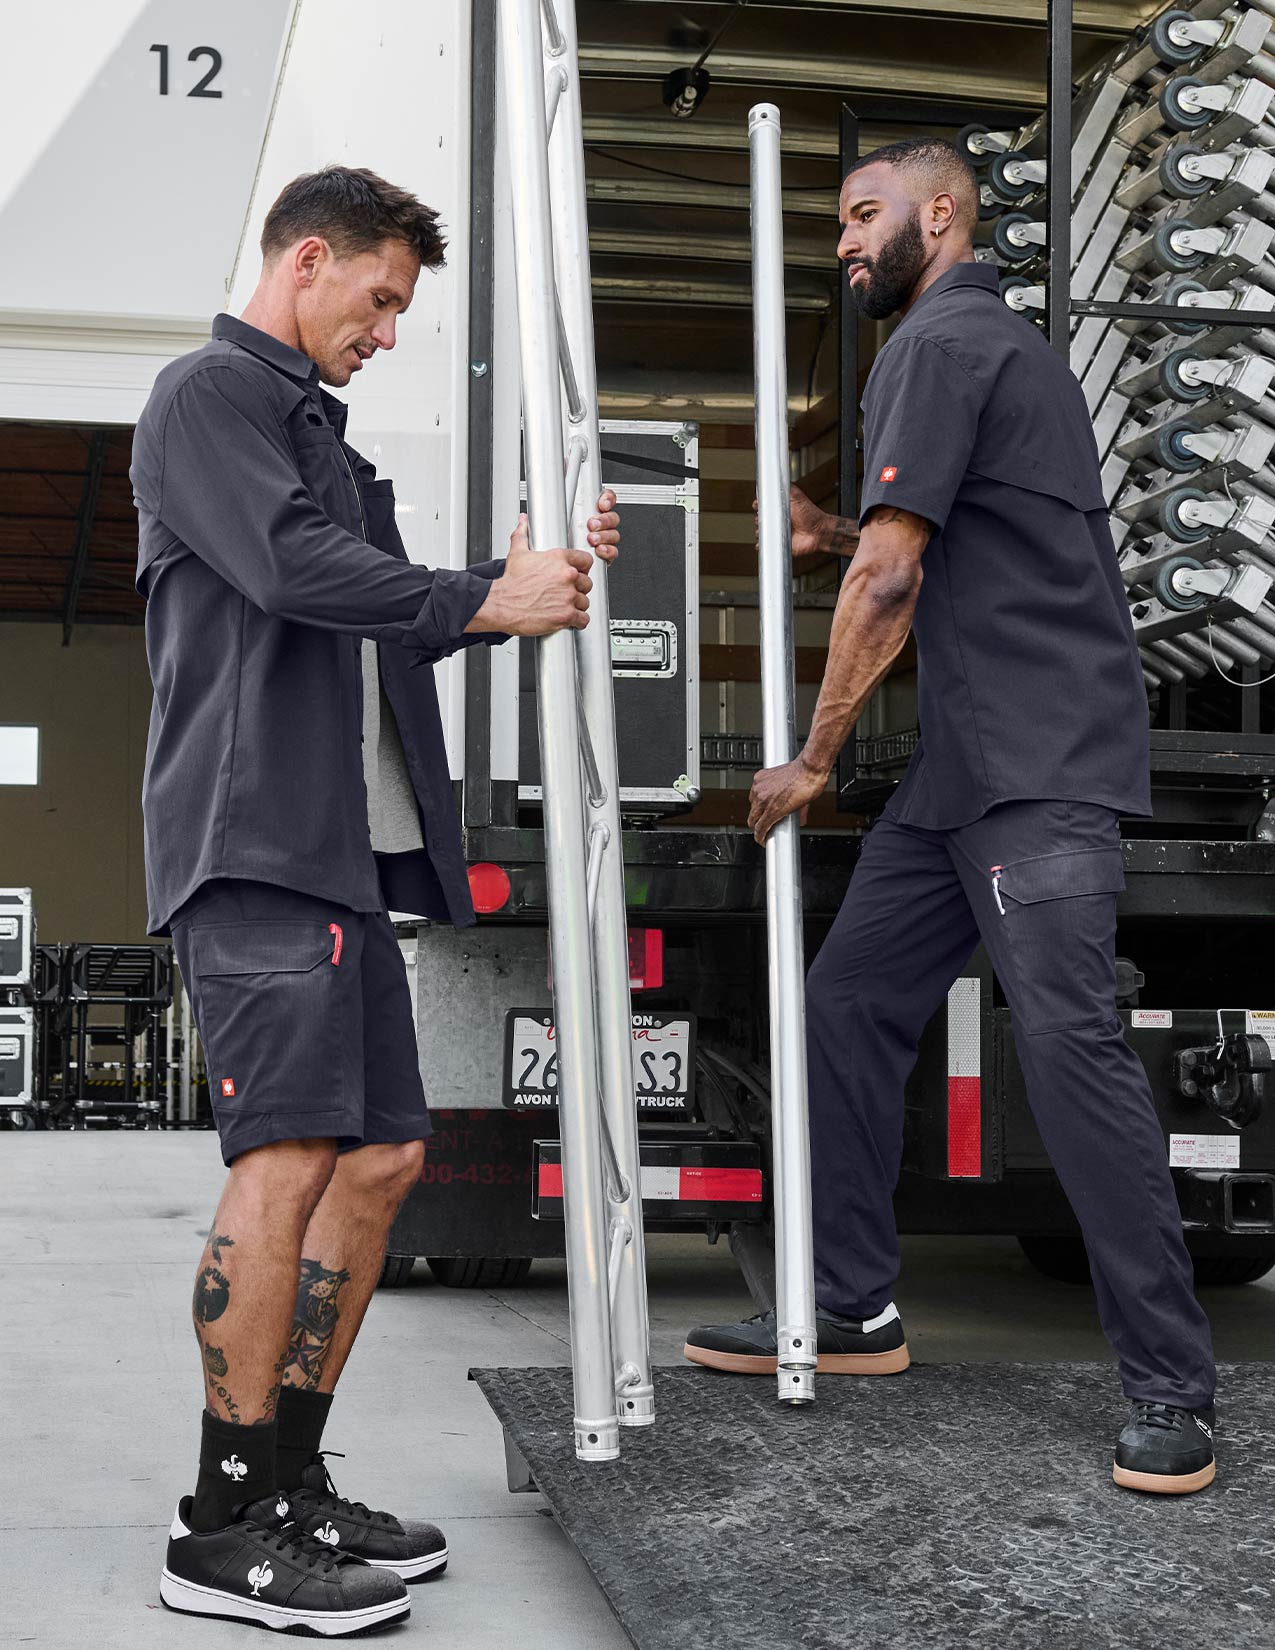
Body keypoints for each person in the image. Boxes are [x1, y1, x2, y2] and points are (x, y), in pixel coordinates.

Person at [685, 139, 1218, 1496]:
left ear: (942, 215)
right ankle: (853, 1303)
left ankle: (1172, 1388)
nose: (845, 244)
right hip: (963, 768)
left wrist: (811, 758)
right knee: (850, 1001)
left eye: (863, 217)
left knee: (1070, 1049)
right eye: (838, 223)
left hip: (1034, 762)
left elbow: (894, 575)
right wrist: (826, 530)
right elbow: (951, 535)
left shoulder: (936, 346)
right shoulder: (991, 351)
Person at [129, 165, 621, 1633]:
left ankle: (287, 1477)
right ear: (308, 260)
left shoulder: (316, 437)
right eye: (382, 299)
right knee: (285, 1159)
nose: (390, 331)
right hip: (251, 843)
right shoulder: (206, 398)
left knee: (386, 1158)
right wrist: (479, 597)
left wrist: (514, 584)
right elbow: (291, 571)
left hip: (341, 855)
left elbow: (379, 614)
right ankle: (222, 1523)